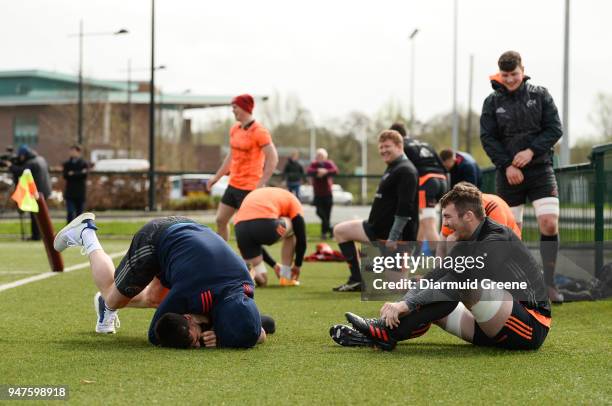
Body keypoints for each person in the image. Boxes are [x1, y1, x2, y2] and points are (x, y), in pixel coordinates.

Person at [330, 183, 551, 351]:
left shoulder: (497, 237)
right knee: (428, 287)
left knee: (461, 285)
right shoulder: (468, 238)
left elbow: (458, 281)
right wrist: (402, 302)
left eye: (447, 217)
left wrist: (407, 303)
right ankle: (380, 334)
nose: (444, 224)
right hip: (490, 325)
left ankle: (385, 332)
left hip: (529, 327)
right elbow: (438, 274)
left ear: (468, 216)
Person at [53, 213, 266, 349]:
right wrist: (205, 335)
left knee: (156, 298)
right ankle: (86, 232)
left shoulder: (245, 287)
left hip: (190, 234)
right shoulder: (193, 291)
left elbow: (259, 331)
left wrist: (225, 331)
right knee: (113, 297)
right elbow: (156, 333)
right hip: (156, 239)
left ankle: (105, 302)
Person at [480, 51, 563, 302]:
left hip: (540, 169)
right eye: (505, 75)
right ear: (499, 74)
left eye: (514, 74)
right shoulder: (491, 102)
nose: (510, 79)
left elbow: (555, 128)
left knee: (549, 222)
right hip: (508, 174)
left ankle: (549, 284)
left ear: (522, 70)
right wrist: (508, 165)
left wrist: (531, 151)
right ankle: (517, 286)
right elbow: (488, 138)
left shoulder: (541, 94)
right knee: (510, 232)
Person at [332, 130, 418, 292]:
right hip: (375, 229)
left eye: (387, 146)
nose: (383, 150)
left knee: (397, 288)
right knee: (341, 231)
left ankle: (435, 285)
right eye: (381, 147)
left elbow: (404, 209)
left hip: (395, 237)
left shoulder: (406, 170)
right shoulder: (394, 166)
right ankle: (357, 280)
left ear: (399, 146)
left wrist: (393, 238)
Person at [206, 94, 278, 241]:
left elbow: (273, 158)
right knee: (220, 220)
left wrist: (261, 183)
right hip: (233, 185)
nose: (233, 111)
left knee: (246, 229)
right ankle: (223, 256)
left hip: (250, 188)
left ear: (245, 108)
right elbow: (230, 157)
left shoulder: (260, 131)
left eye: (235, 107)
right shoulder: (235, 129)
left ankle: (252, 262)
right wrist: (216, 177)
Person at [390, 123, 448, 253]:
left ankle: (443, 263)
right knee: (423, 220)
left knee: (429, 224)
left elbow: (402, 169)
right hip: (442, 181)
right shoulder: (425, 144)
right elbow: (444, 168)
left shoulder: (401, 146)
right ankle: (415, 255)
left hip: (427, 182)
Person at [234, 187, 307, 287]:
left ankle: (246, 271)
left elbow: (256, 240)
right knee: (294, 228)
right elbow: (301, 239)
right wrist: (297, 265)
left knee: (263, 280)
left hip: (240, 229)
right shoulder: (294, 201)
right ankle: (286, 276)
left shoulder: (268, 194)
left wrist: (274, 265)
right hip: (266, 225)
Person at [436, 182, 521, 257]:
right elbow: (441, 248)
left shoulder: (493, 208)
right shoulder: (453, 211)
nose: (445, 223)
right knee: (451, 239)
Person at [8, 145, 51, 240]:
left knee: (35, 215)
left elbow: (20, 171)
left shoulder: (31, 163)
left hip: (36, 192)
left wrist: (10, 166)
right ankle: (41, 235)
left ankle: (36, 236)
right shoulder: (41, 159)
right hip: (45, 190)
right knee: (41, 214)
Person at [306, 148, 338, 240]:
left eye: (321, 156)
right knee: (319, 212)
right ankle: (331, 229)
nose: (319, 157)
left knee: (327, 215)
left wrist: (326, 172)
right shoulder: (314, 164)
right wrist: (318, 172)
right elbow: (309, 171)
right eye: (318, 155)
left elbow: (335, 170)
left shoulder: (329, 163)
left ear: (325, 157)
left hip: (327, 193)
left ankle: (325, 234)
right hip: (317, 194)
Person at [62, 144, 89, 223]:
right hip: (70, 192)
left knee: (79, 214)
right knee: (70, 212)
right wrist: (79, 173)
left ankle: (78, 231)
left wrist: (73, 174)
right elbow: (65, 175)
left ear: (78, 152)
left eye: (74, 151)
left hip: (80, 192)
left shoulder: (83, 163)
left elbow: (84, 175)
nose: (72, 153)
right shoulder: (67, 164)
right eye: (71, 151)